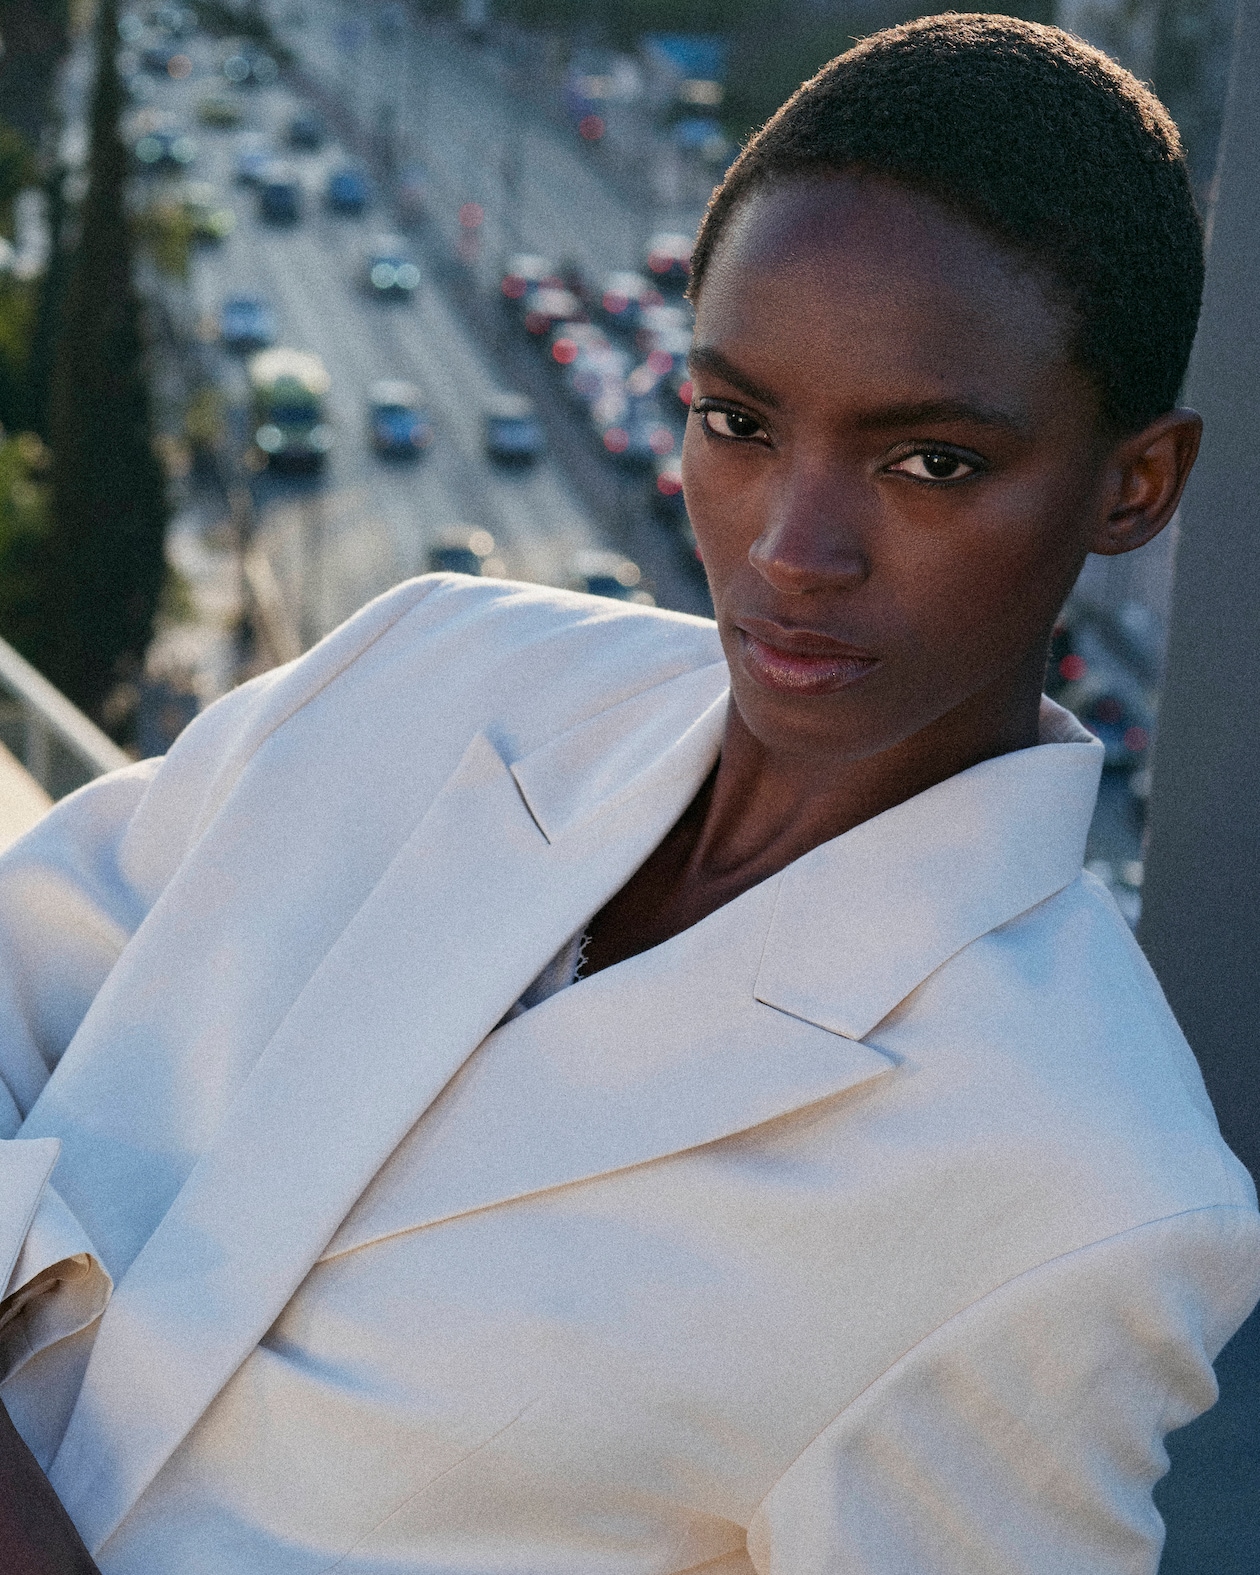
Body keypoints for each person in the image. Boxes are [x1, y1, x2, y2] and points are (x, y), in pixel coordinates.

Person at [2, 14, 1258, 1573]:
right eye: (736, 423)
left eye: (928, 461)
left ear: (1134, 484)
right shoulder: (428, 663)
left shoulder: (1084, 1198)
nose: (794, 548)